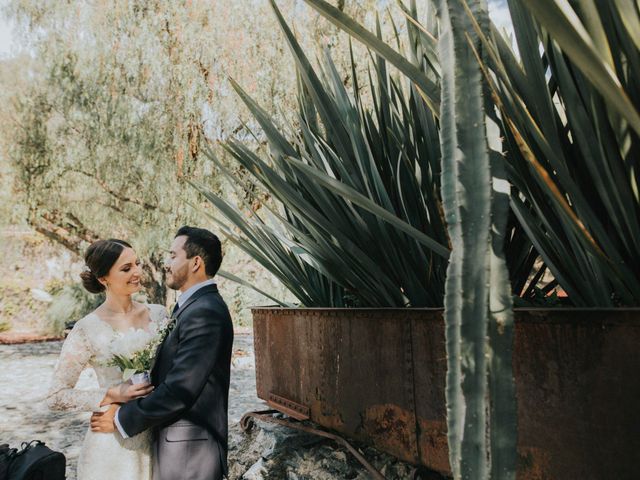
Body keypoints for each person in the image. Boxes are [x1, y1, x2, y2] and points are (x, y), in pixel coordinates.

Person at [90, 226, 234, 480]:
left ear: (196, 263)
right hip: (178, 450)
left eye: (173, 255)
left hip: (190, 456)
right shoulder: (188, 307)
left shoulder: (205, 311)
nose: (166, 263)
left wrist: (121, 417)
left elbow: (180, 389)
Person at [47, 238, 168, 480]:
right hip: (110, 450)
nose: (137, 272)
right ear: (104, 279)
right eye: (126, 268)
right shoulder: (86, 329)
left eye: (137, 264)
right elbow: (56, 396)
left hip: (158, 440)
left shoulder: (159, 314)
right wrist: (110, 395)